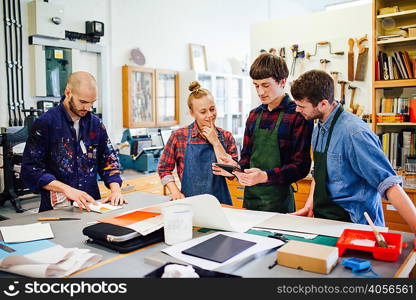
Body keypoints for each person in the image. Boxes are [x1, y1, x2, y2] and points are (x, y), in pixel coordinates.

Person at [291, 69, 416, 245]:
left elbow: (389, 184)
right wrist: (309, 205)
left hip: (355, 226)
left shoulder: (354, 133)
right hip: (325, 223)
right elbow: (319, 174)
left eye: (302, 106)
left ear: (323, 104)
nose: (297, 110)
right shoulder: (318, 127)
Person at [213, 53, 313, 212]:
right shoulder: (254, 115)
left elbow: (300, 167)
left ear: (282, 81)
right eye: (256, 85)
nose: (260, 92)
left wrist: (264, 176)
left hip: (279, 204)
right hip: (250, 202)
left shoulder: (298, 115)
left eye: (266, 85)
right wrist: (235, 168)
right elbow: (246, 160)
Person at [21, 71, 126, 212]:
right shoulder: (46, 123)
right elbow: (31, 169)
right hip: (58, 206)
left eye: (92, 103)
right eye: (83, 102)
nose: (87, 108)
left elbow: (108, 160)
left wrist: (115, 190)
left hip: (91, 204)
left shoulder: (95, 124)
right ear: (68, 92)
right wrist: (66, 189)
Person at [157, 81, 238, 204]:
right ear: (192, 113)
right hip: (190, 203)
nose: (210, 115)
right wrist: (175, 192)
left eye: (212, 109)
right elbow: (163, 169)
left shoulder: (226, 136)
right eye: (203, 112)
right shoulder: (179, 136)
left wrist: (215, 142)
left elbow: (232, 174)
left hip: (221, 205)